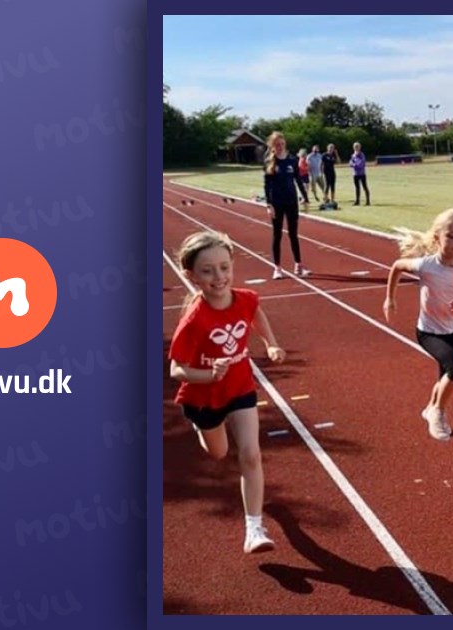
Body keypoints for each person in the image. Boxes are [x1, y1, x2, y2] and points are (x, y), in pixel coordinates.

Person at [169, 231, 287, 553]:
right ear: (190, 275)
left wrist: (271, 342)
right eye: (207, 271)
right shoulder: (194, 319)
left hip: (240, 389)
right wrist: (208, 375)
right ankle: (201, 427)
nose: (218, 277)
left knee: (250, 454)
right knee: (219, 453)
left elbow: (256, 314)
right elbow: (176, 370)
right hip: (203, 399)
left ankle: (254, 529)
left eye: (224, 267)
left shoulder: (246, 298)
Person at [382, 209, 453, 441]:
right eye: (451, 236)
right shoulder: (425, 265)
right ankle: (436, 412)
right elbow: (397, 266)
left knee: (444, 378)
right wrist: (390, 298)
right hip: (428, 332)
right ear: (437, 238)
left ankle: (431, 409)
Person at [261, 132, 310, 279]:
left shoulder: (292, 160)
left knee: (293, 234)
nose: (280, 147)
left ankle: (298, 265)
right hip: (277, 203)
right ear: (272, 146)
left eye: (282, 144)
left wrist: (305, 198)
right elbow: (266, 186)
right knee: (277, 235)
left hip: (291, 202)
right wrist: (269, 205)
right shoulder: (269, 162)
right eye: (277, 144)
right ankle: (277, 268)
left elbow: (298, 180)